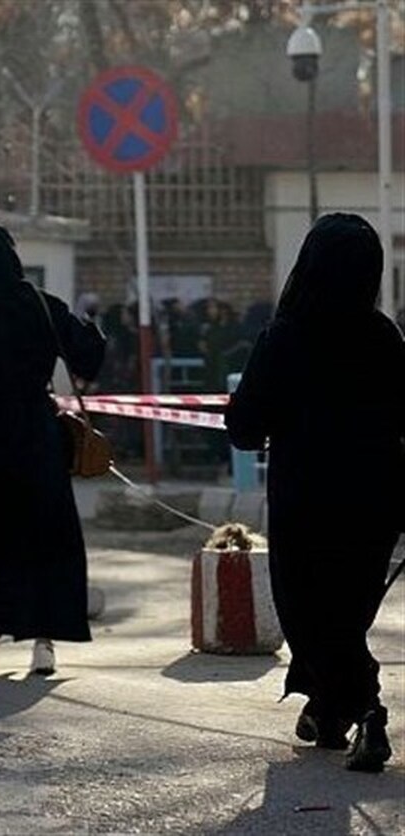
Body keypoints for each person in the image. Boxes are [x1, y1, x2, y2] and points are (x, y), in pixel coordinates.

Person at [227, 213, 405, 773]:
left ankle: (368, 711)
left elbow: (245, 427)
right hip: (377, 498)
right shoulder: (384, 337)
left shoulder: (286, 337)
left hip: (307, 498)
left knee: (311, 612)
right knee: (347, 610)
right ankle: (327, 712)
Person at [0, 224, 105, 675]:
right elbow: (87, 355)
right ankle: (44, 643)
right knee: (47, 534)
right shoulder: (41, 305)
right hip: (38, 432)